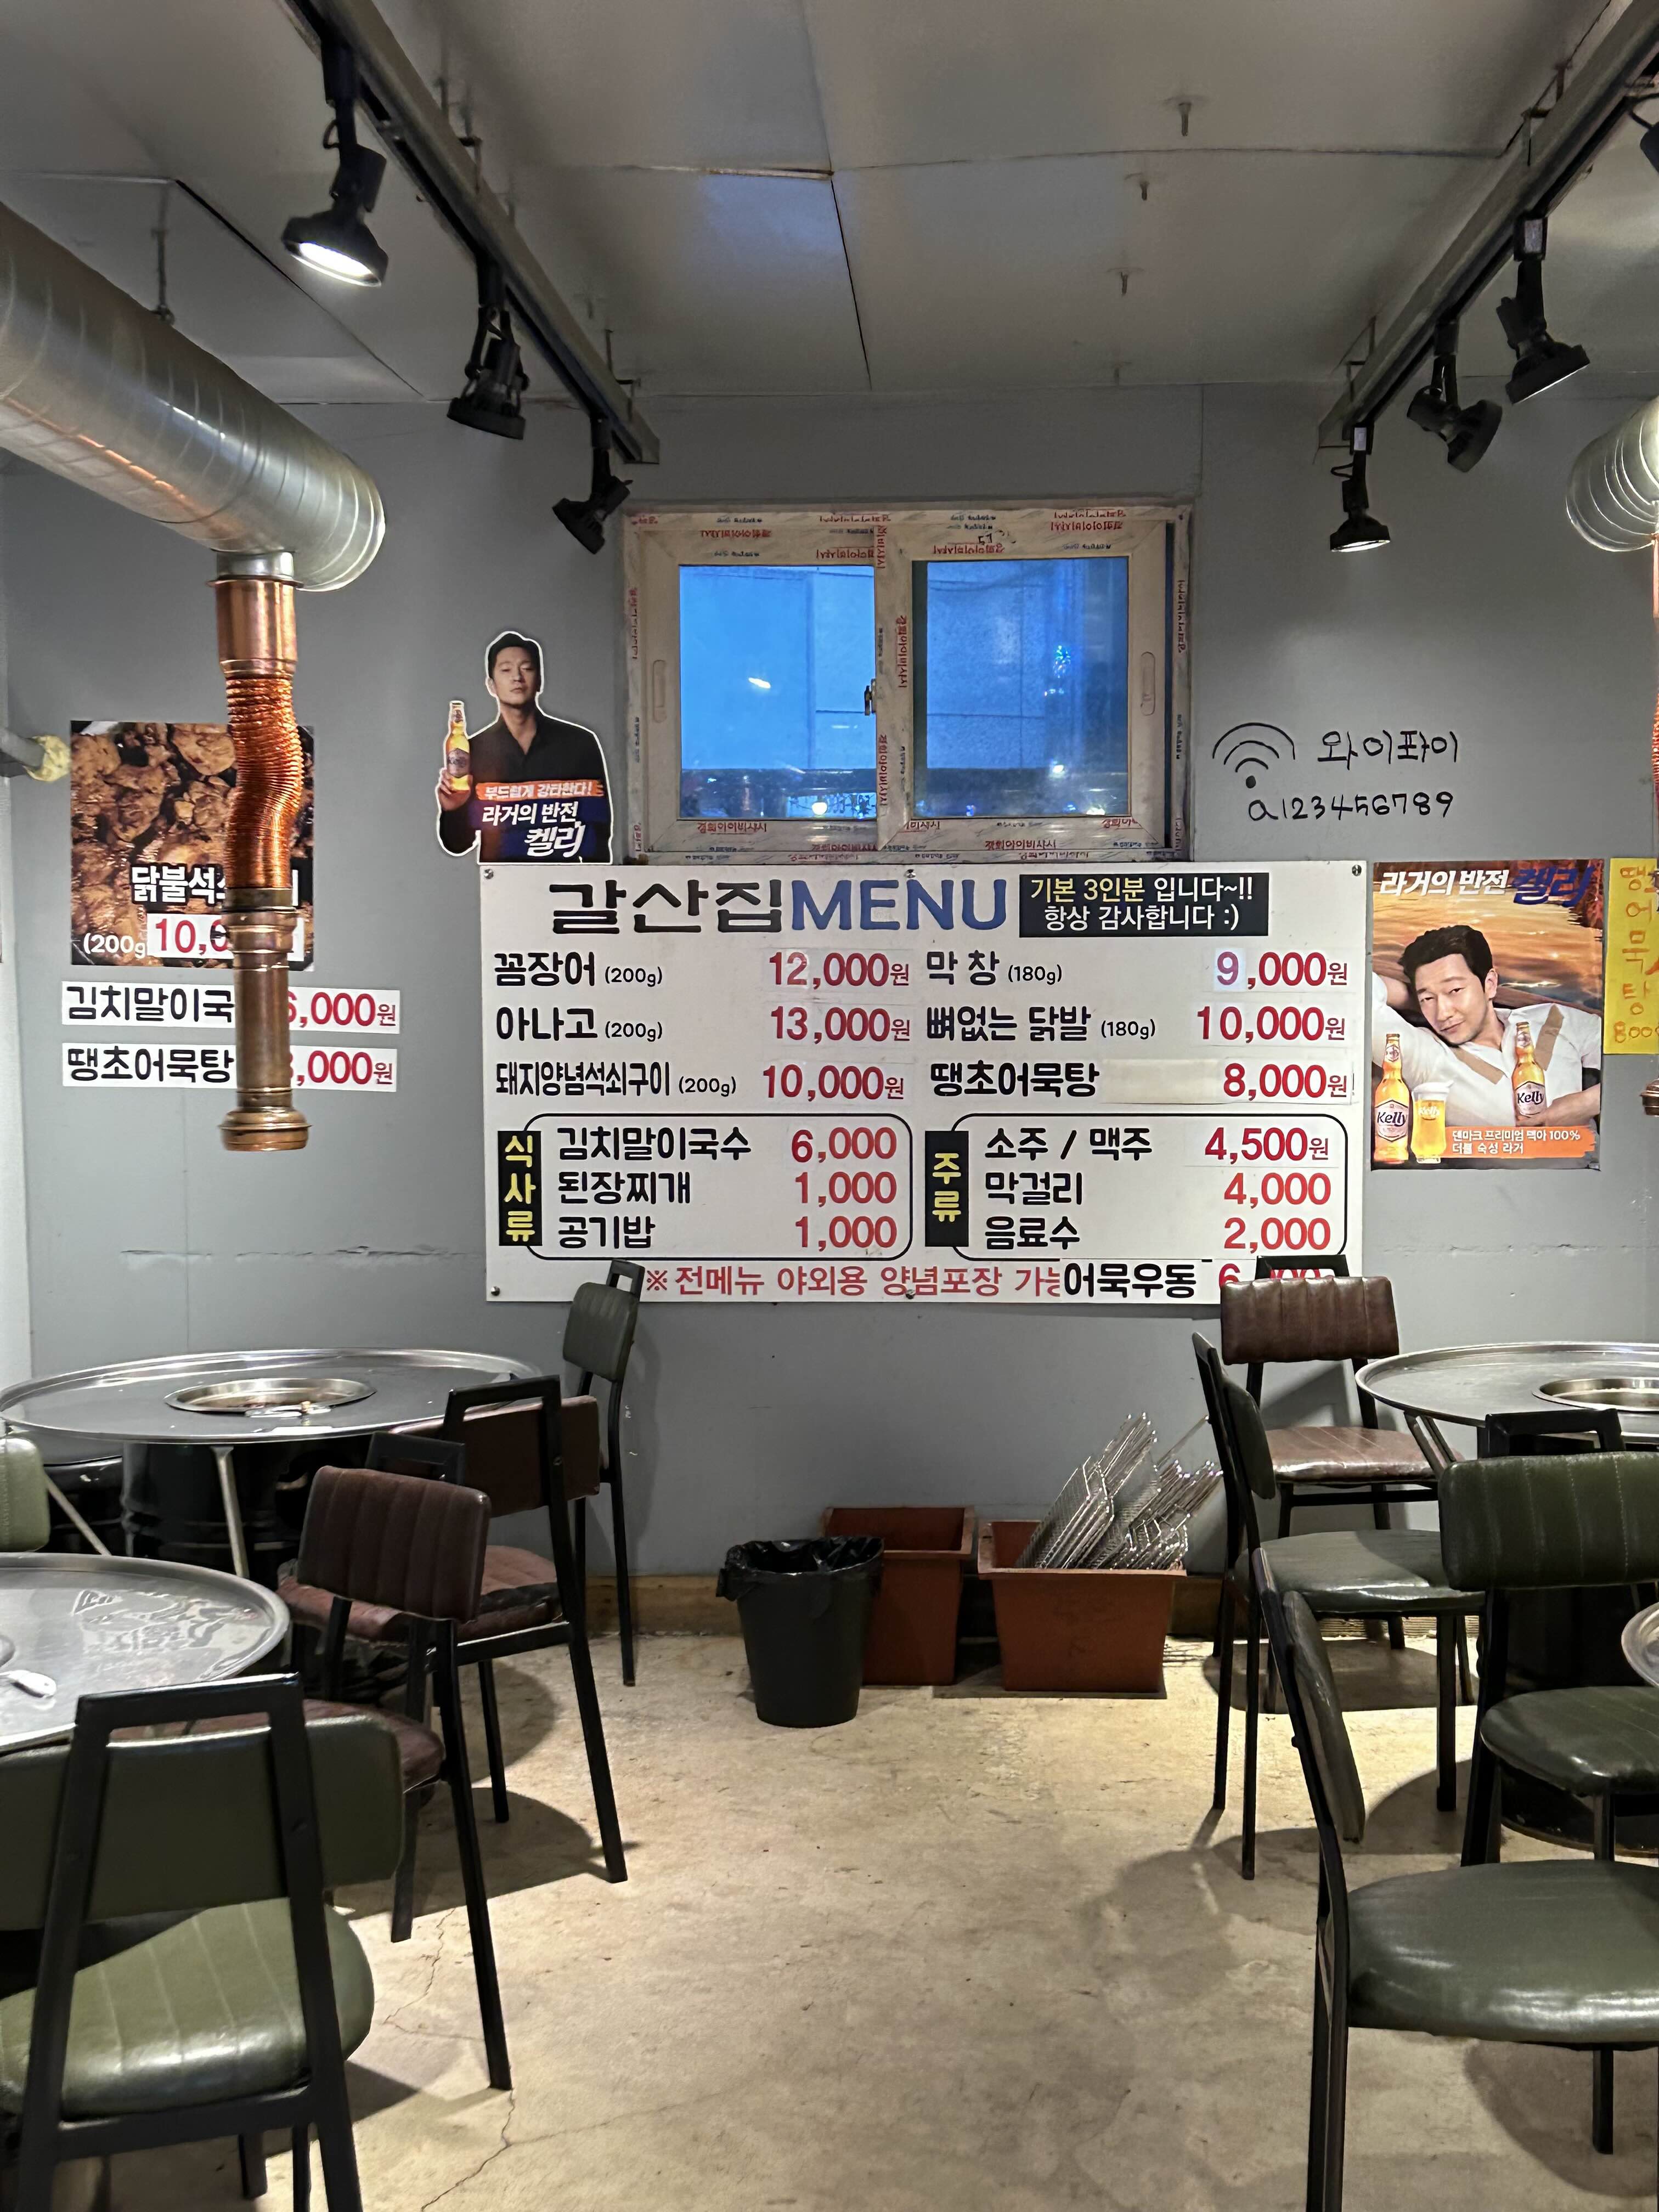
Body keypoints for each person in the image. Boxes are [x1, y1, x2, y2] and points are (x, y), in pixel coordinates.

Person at [1371, 922, 1600, 1128]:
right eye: (1428, 999)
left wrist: (1587, 1103)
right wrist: (1415, 1000)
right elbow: (1357, 992)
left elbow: (1623, 1063)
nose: (1443, 1014)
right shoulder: (1425, 1056)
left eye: (1455, 990)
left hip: (1593, 1162)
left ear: (1489, 984)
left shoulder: (1555, 1019)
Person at [436, 630, 611, 862]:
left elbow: (599, 835)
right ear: (491, 685)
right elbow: (458, 845)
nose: (517, 677)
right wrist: (454, 809)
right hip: (502, 882)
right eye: (506, 670)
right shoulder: (473, 750)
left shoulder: (580, 743)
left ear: (539, 681)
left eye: (527, 668)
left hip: (566, 881)